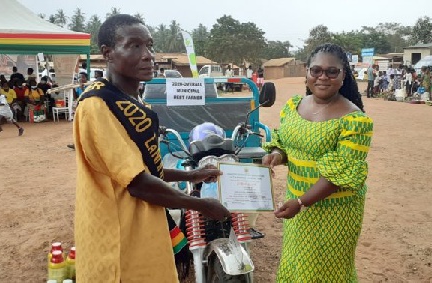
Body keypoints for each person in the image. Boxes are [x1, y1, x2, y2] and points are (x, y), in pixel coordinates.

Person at [73, 14, 230, 282]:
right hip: (120, 235)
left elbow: (144, 167)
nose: (148, 55)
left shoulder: (133, 102)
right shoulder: (98, 105)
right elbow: (138, 183)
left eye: (149, 45)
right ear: (108, 53)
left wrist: (191, 176)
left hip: (146, 224)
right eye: (135, 46)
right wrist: (201, 205)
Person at [262, 43, 373, 282]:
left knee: (325, 272)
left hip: (334, 212)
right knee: (296, 264)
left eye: (332, 72)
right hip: (297, 202)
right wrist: (278, 155)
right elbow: (287, 144)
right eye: (316, 70)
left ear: (344, 75)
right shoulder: (294, 106)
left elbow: (339, 176)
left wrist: (301, 202)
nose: (323, 77)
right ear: (307, 72)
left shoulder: (355, 120)